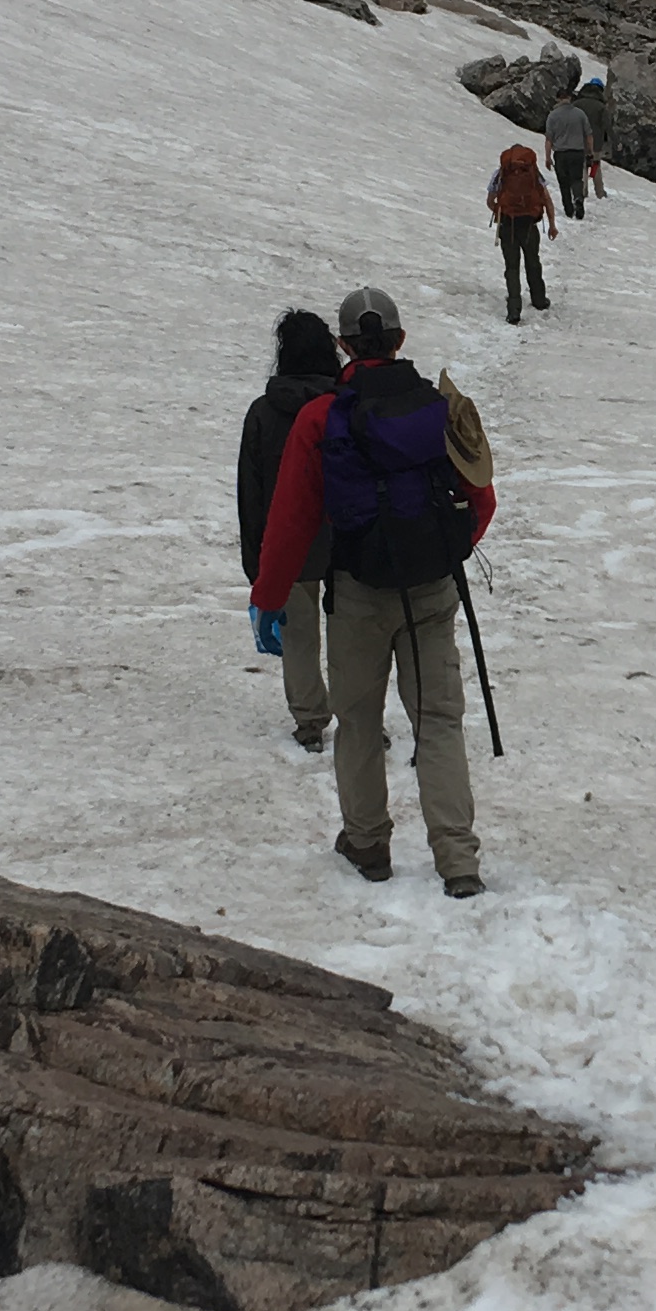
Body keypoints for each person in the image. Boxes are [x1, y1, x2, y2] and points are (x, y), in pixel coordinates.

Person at [249, 286, 494, 897]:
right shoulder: (438, 406)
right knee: (438, 720)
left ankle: (368, 842)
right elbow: (481, 497)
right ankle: (458, 859)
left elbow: (292, 519)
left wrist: (269, 594)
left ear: (344, 346)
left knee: (358, 721)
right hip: (433, 590)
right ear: (400, 340)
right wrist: (446, 549)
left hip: (356, 591)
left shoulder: (320, 418)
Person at [235, 307, 340, 747]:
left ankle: (310, 721)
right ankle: (359, 716)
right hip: (345, 541)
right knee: (351, 638)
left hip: (287, 544)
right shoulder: (344, 406)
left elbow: (251, 492)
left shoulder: (263, 412)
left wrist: (257, 563)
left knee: (297, 639)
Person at [488, 134, 557, 322]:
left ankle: (514, 310)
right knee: (532, 262)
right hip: (528, 225)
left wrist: (500, 211)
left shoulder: (501, 173)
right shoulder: (533, 173)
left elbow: (490, 200)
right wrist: (551, 224)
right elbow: (546, 199)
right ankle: (539, 299)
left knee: (512, 267)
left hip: (507, 225)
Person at [546, 79, 606, 221]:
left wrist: (548, 157)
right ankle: (579, 198)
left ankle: (568, 209)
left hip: (560, 153)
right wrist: (590, 151)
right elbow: (589, 134)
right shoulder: (579, 114)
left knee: (563, 182)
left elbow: (549, 139)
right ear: (570, 98)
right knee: (577, 179)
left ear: (558, 99)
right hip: (577, 152)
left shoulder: (553, 115)